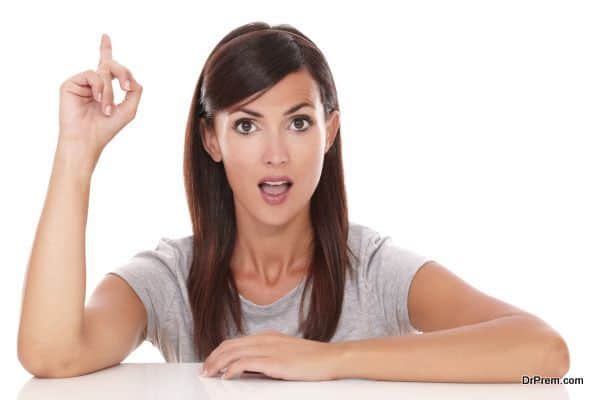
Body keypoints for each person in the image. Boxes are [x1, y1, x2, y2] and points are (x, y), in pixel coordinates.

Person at [18, 22, 569, 382]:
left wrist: (331, 361)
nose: (276, 154)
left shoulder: (371, 268)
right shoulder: (169, 277)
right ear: (212, 139)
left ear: (329, 132)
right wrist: (76, 153)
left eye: (299, 122)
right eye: (248, 125)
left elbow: (544, 353)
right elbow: (51, 354)